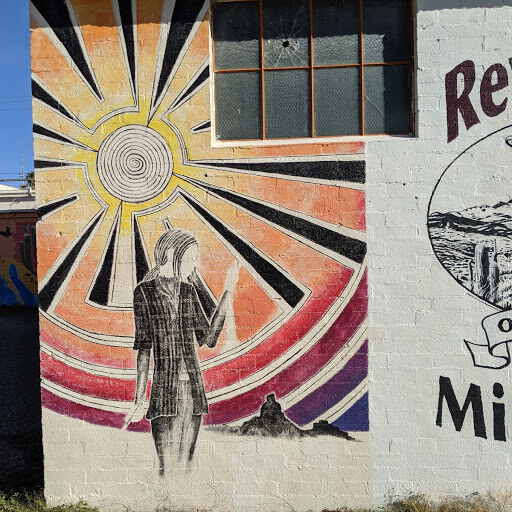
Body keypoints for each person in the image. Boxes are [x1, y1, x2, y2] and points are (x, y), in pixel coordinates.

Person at [125, 229, 239, 475]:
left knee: (186, 463)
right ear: (170, 254)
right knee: (167, 466)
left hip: (193, 388)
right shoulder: (144, 293)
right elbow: (144, 349)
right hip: (164, 390)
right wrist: (138, 400)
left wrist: (228, 292)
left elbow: (208, 339)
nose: (194, 265)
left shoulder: (189, 291)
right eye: (190, 258)